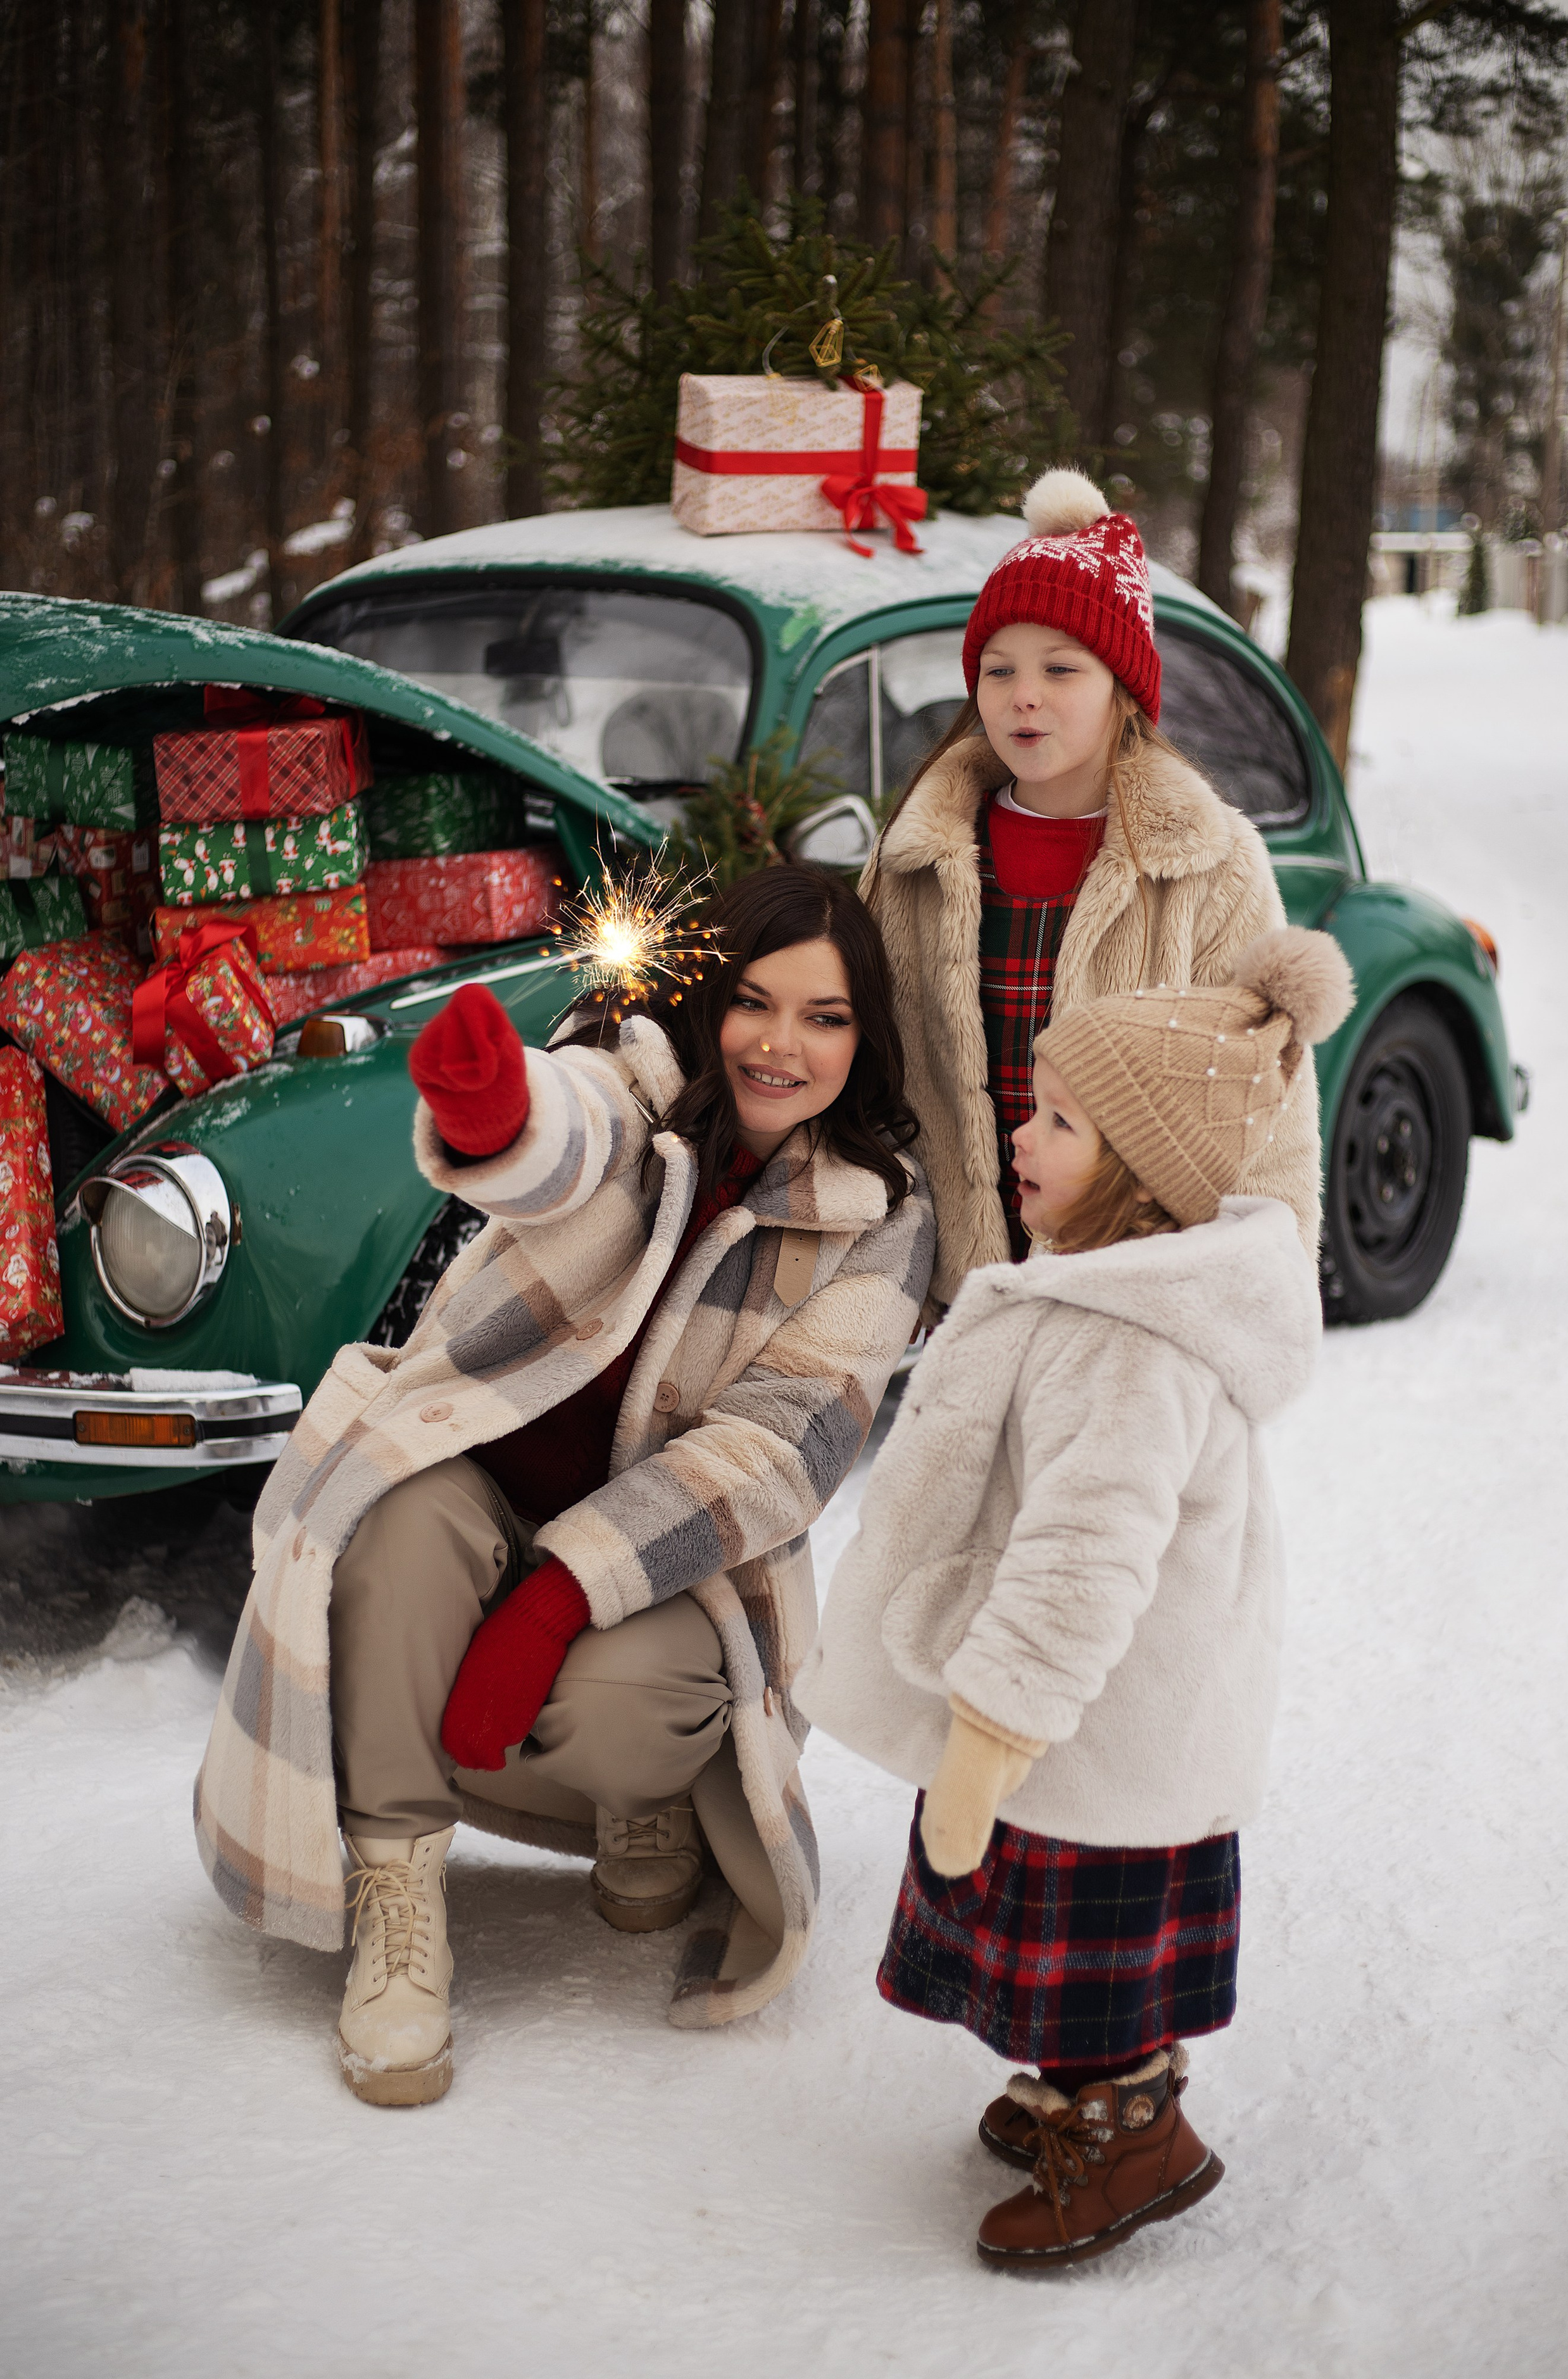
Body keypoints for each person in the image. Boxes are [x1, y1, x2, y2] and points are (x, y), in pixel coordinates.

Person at [194, 863, 933, 2107]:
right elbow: (569, 1132)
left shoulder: (882, 1217)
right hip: (481, 1481)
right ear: (709, 1002)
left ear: (864, 1040)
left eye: (824, 1017)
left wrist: (556, 1598)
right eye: (753, 1003)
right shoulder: (637, 1083)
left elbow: (778, 1450)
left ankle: (643, 1803)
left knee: (626, 1706)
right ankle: (397, 1894)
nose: (780, 1044)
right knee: (391, 1525)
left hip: (667, 1564)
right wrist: (500, 1115)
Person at [797, 926, 1353, 2267]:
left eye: (1061, 1122)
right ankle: (1079, 2088)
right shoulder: (1105, 1296)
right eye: (1032, 1108)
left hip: (1088, 1725)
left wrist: (989, 1739)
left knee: (1095, 1964)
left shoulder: (1128, 1345)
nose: (1021, 1135)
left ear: (1147, 1178)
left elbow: (1081, 1561)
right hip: (1082, 1719)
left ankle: (1130, 2131)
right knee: (1060, 1956)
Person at [862, 465, 1322, 1320]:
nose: (1023, 696)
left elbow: (1265, 1115)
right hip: (949, 1293)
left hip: (1130, 1299)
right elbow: (873, 1078)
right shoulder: (918, 855)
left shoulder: (1210, 865)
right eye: (998, 670)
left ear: (1123, 687)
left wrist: (1262, 1302)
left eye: (1061, 669)